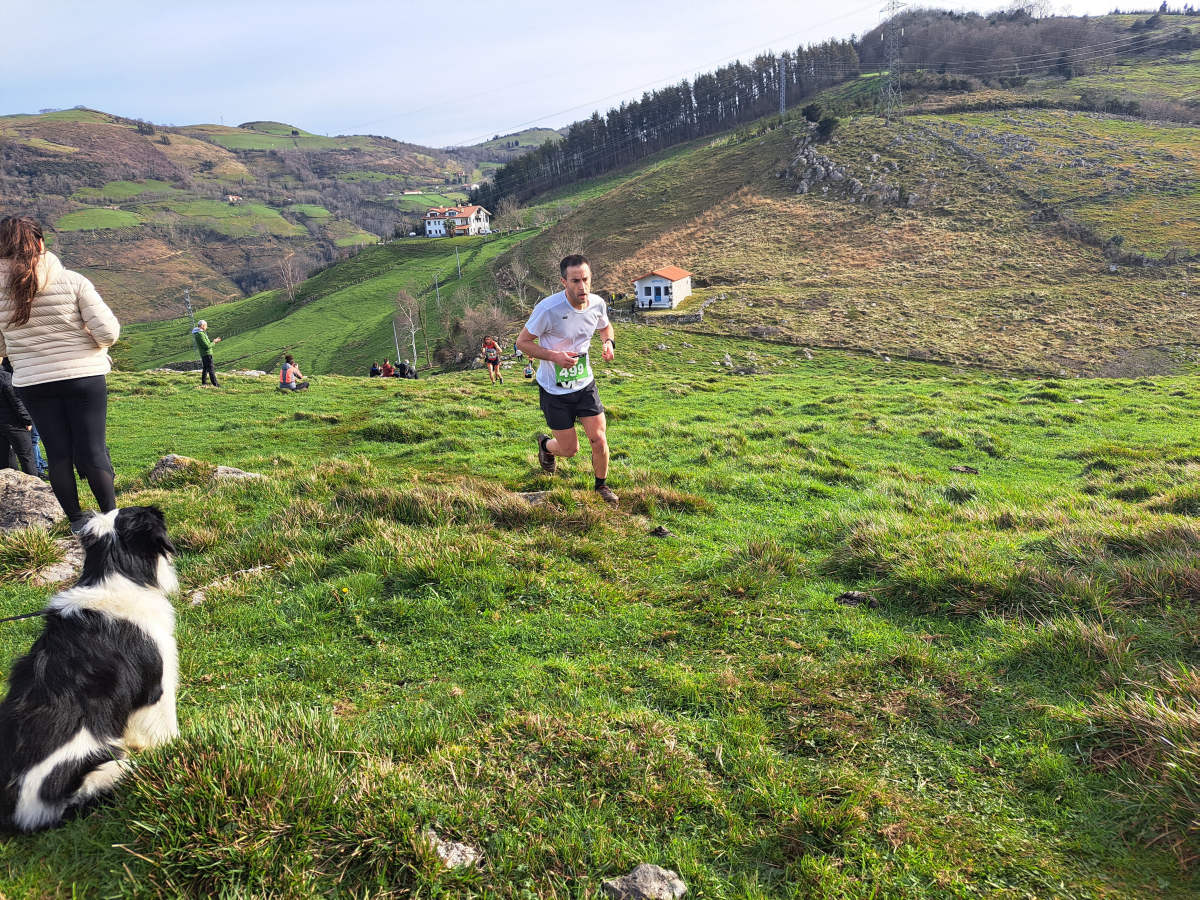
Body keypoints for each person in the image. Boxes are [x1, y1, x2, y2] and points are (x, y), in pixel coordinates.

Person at [0, 216, 120, 531]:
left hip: (33, 382)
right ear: (40, 243)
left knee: (58, 454)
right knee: (92, 448)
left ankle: (77, 522)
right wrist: (86, 344)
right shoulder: (72, 281)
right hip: (84, 377)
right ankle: (110, 519)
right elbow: (107, 333)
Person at [515, 254, 618, 504]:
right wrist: (554, 357)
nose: (582, 286)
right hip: (554, 390)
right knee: (570, 450)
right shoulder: (548, 309)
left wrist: (608, 343)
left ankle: (601, 487)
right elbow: (522, 343)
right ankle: (545, 446)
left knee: (599, 438)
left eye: (585, 279)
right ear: (563, 282)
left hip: (584, 384)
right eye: (575, 281)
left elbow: (605, 327)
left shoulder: (597, 304)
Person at [0, 356, 36, 474]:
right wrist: (27, 420)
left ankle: (7, 487)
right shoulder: (5, 376)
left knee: (5, 459)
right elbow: (16, 401)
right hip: (13, 423)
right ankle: (33, 486)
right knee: (26, 457)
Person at [191, 319, 221, 387]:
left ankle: (204, 382)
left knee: (205, 368)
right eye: (205, 326)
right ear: (202, 326)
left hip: (204, 354)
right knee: (211, 369)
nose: (206, 327)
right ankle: (215, 384)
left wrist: (213, 341)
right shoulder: (200, 334)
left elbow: (206, 343)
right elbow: (207, 346)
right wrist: (214, 342)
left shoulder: (199, 333)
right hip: (206, 353)